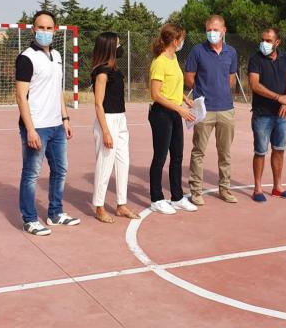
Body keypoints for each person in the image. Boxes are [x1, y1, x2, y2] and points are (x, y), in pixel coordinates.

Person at [15, 10, 79, 236]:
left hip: (56, 126)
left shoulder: (58, 56)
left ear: (55, 30)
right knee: (32, 173)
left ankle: (55, 213)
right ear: (33, 30)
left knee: (60, 169)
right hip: (36, 126)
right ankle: (30, 219)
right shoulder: (26, 58)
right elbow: (21, 96)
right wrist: (30, 128)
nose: (44, 32)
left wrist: (65, 118)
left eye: (48, 28)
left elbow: (57, 91)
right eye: (40, 27)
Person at [184, 14, 239, 205]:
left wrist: (222, 90)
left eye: (215, 29)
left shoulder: (231, 52)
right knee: (198, 151)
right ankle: (196, 191)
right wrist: (201, 93)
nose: (212, 33)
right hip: (204, 110)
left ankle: (225, 188)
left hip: (226, 109)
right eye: (208, 29)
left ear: (224, 31)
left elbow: (231, 79)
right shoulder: (197, 51)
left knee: (225, 152)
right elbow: (189, 77)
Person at [148, 23, 198, 214]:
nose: (183, 41)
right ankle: (156, 198)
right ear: (175, 40)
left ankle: (177, 197)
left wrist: (185, 99)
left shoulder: (174, 57)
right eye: (182, 38)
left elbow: (174, 85)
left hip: (175, 112)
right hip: (162, 114)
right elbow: (156, 94)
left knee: (177, 156)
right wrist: (180, 108)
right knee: (160, 157)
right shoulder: (159, 62)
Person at [90, 32, 138, 223]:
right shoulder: (101, 72)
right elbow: (98, 104)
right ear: (110, 47)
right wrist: (106, 131)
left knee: (123, 162)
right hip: (107, 121)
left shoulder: (116, 70)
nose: (120, 47)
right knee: (105, 164)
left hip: (120, 119)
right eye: (118, 44)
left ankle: (121, 204)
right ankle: (99, 207)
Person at [247, 27, 286, 202]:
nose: (264, 43)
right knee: (260, 151)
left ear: (277, 43)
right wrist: (279, 98)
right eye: (263, 39)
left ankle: (277, 187)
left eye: (268, 41)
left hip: (281, 115)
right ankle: (258, 189)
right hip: (262, 114)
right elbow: (254, 84)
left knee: (279, 150)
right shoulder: (255, 58)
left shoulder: (285, 58)